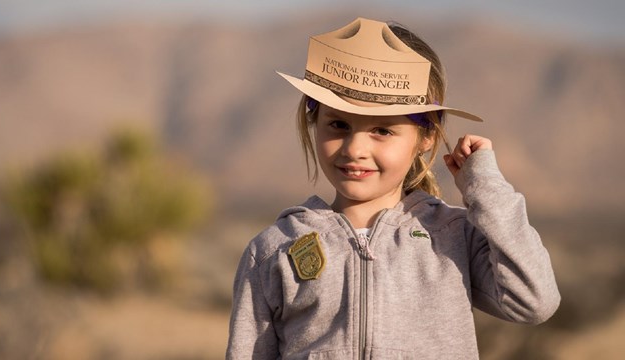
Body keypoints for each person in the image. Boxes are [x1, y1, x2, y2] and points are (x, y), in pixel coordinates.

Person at [226, 17, 560, 359]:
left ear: (426, 136)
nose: (354, 148)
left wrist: (485, 187)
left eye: (382, 131)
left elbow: (535, 301)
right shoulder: (274, 249)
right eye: (338, 124)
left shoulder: (454, 237)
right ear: (313, 124)